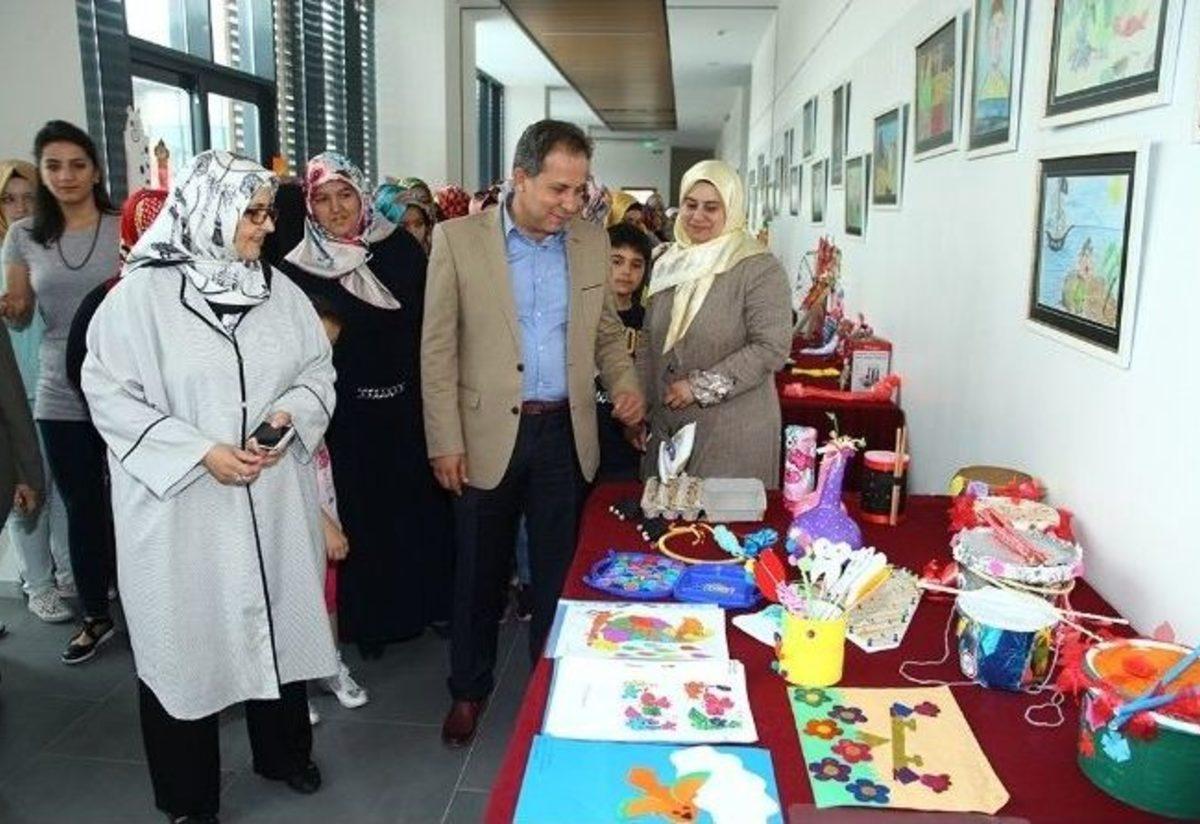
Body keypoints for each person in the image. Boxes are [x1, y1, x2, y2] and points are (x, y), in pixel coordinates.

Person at [81, 150, 337, 822]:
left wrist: (291, 413)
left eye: (268, 212)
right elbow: (108, 394)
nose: (266, 226)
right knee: (183, 648)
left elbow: (318, 370)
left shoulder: (279, 293)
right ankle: (189, 798)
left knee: (278, 622)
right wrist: (200, 453)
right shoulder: (138, 300)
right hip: (181, 511)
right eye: (252, 213)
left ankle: (284, 754)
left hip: (271, 499)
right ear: (207, 212)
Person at [422, 119, 644, 748]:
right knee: (478, 573)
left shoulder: (591, 242)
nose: (570, 204)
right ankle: (468, 689)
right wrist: (444, 440)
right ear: (520, 178)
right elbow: (437, 349)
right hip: (483, 434)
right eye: (558, 189)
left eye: (579, 190)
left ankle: (552, 687)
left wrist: (625, 384)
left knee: (556, 575)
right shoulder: (458, 240)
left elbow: (606, 334)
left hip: (564, 434)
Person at [279, 151, 452, 659]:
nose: (336, 209)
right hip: (344, 417)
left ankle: (425, 607)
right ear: (310, 206)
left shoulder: (399, 249)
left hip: (407, 408)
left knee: (415, 514)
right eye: (323, 199)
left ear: (362, 195)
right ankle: (370, 624)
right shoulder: (297, 269)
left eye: (345, 195)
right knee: (361, 519)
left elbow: (430, 330)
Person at [0, 121, 120, 663]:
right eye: (53, 165)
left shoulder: (123, 226)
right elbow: (20, 306)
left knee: (134, 506)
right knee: (81, 506)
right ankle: (95, 615)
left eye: (76, 164)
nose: (65, 175)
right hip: (60, 392)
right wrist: (11, 306)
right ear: (43, 173)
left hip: (126, 389)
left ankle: (145, 603)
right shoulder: (23, 234)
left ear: (95, 170)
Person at [637, 159, 792, 489]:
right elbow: (648, 339)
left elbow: (771, 348)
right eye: (690, 205)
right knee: (664, 517)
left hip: (733, 432)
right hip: (667, 431)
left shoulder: (759, 268)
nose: (697, 216)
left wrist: (698, 387)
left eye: (711, 207)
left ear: (732, 210)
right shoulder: (667, 262)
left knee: (722, 518)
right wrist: (641, 408)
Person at [1, 159, 72, 623]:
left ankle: (67, 574)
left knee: (62, 490)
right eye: (10, 199)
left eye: (29, 197)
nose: (21, 207)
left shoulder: (54, 255)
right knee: (24, 491)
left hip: (57, 391)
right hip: (12, 398)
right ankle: (38, 585)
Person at [306, 294, 368, 717]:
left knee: (327, 594)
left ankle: (330, 666)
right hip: (296, 516)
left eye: (331, 347)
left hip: (322, 498)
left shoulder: (317, 386)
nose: (325, 357)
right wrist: (323, 523)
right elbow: (280, 468)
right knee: (291, 601)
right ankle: (289, 692)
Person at [597, 222, 652, 480]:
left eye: (636, 264)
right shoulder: (584, 316)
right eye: (616, 261)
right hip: (586, 430)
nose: (626, 272)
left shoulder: (648, 321)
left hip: (630, 433)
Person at [373, 179, 436, 254]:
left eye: (419, 224)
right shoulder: (373, 258)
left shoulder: (435, 251)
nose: (413, 232)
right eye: (402, 227)